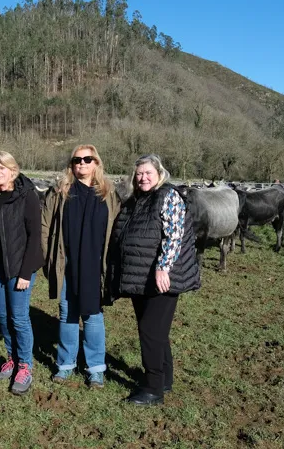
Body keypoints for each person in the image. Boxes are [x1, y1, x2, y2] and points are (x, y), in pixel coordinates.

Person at [106, 154, 199, 406]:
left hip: (160, 277)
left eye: (148, 173)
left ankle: (153, 388)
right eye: (139, 174)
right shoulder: (137, 199)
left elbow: (174, 235)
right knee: (157, 332)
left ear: (159, 174)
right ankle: (165, 378)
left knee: (150, 331)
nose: (143, 177)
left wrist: (163, 268)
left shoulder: (167, 196)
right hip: (140, 277)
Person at [42, 145, 120, 388]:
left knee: (93, 316)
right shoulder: (60, 192)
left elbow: (117, 231)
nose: (82, 164)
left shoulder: (108, 194)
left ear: (96, 163)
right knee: (67, 314)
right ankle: (66, 364)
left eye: (88, 159)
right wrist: (49, 259)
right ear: (71, 164)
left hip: (95, 266)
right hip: (68, 264)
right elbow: (45, 227)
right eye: (77, 160)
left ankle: (95, 367)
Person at [0, 151, 43, 395]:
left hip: (19, 267)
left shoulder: (26, 196)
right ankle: (12, 359)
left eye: (2, 168)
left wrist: (26, 272)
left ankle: (25, 366)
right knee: (4, 317)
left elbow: (34, 235)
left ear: (13, 170)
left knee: (18, 317)